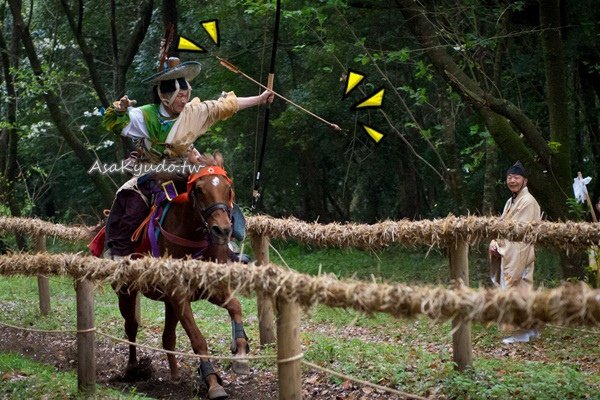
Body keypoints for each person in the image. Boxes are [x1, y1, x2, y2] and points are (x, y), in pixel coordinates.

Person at [101, 57, 273, 259]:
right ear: (165, 96)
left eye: (186, 95)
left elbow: (225, 106)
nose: (184, 100)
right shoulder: (145, 115)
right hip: (154, 169)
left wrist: (260, 99)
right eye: (179, 96)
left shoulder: (194, 112)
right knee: (129, 197)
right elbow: (116, 125)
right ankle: (119, 253)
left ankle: (229, 247)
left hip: (188, 166)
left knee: (216, 188)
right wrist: (120, 111)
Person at [489, 161, 542, 344]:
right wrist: (495, 243)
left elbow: (521, 233)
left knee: (518, 291)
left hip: (520, 252)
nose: (512, 181)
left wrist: (501, 246)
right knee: (519, 292)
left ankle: (522, 334)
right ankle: (531, 329)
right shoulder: (510, 201)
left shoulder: (528, 201)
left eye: (516, 177)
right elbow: (502, 227)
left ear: (525, 181)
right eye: (509, 177)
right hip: (509, 251)